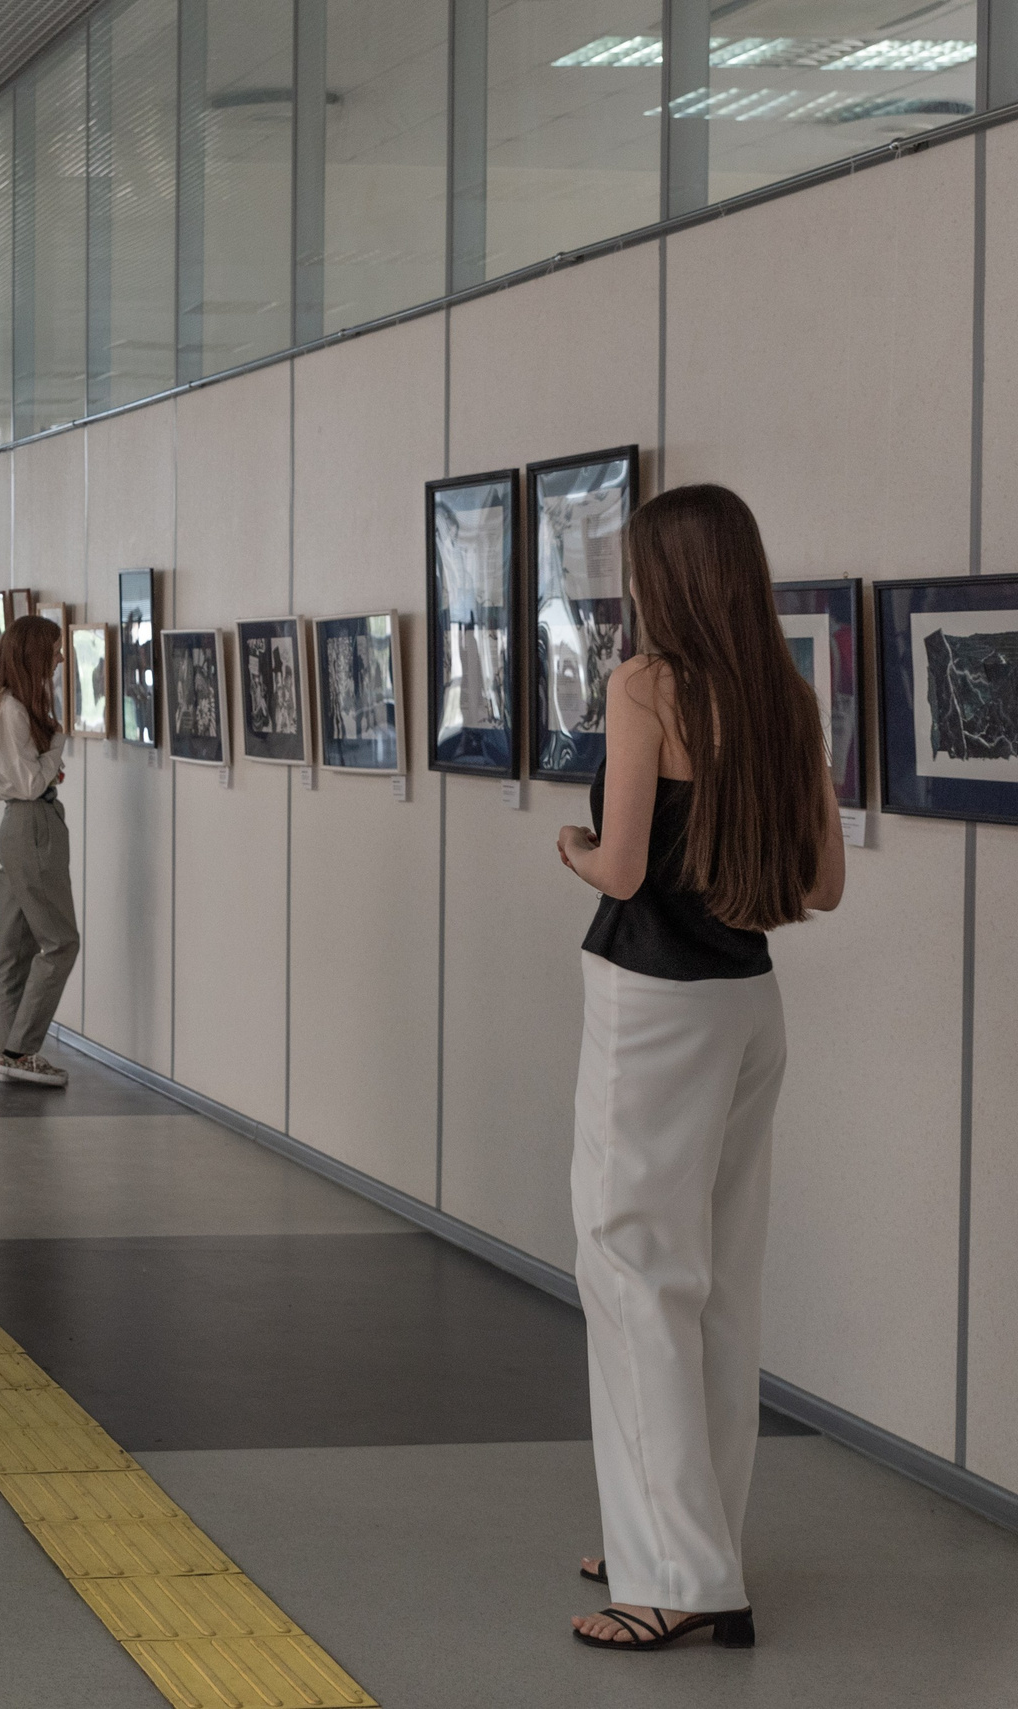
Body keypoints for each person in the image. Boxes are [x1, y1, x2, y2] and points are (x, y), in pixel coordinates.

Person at [555, 485, 843, 1654]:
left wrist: (570, 845)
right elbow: (821, 884)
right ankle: (689, 1538)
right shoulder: (784, 695)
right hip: (747, 1004)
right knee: (718, 1280)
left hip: (651, 1005)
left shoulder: (646, 684)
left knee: (630, 1271)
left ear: (665, 576)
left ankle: (670, 1573)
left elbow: (623, 869)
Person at [0, 614, 77, 1088]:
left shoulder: (4, 705)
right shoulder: (14, 709)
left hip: (20, 825)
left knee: (16, 949)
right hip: (31, 824)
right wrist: (57, 743)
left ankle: (9, 1053)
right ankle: (20, 1050)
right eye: (54, 650)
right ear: (34, 653)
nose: (60, 658)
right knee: (61, 942)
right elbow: (33, 783)